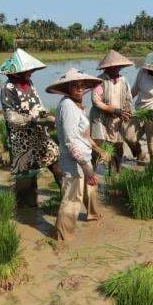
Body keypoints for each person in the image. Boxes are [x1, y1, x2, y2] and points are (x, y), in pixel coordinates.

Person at [46, 68, 107, 241]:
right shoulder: (67, 106)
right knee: (72, 198)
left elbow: (84, 136)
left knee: (90, 188)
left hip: (83, 158)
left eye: (82, 86)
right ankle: (61, 237)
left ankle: (93, 215)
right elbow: (70, 141)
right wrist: (86, 167)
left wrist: (97, 149)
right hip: (74, 162)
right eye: (75, 86)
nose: (79, 89)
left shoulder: (76, 106)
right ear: (67, 88)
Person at [0, 49, 63, 207]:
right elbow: (11, 117)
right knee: (26, 176)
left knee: (56, 161)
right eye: (28, 71)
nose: (31, 73)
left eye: (31, 70)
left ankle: (67, 198)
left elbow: (38, 105)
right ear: (18, 72)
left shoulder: (30, 84)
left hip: (40, 135)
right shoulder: (8, 88)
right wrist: (33, 120)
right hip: (22, 140)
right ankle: (27, 210)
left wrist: (47, 117)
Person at [90, 50, 134, 174]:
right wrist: (114, 110)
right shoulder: (100, 81)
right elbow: (96, 101)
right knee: (98, 147)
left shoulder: (124, 80)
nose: (116, 68)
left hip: (117, 119)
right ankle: (91, 174)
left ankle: (115, 173)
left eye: (118, 66)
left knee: (118, 148)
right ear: (107, 67)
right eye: (113, 66)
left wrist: (128, 112)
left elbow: (128, 98)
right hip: (100, 119)